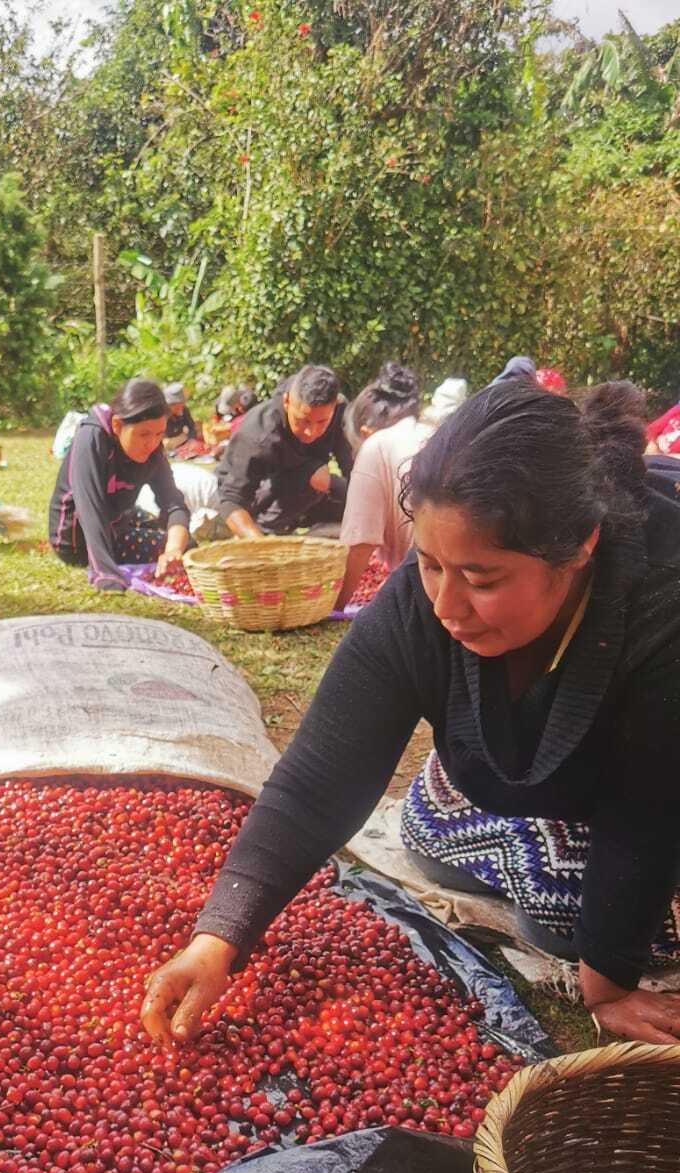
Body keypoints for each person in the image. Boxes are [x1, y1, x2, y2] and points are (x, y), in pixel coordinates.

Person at [142, 381, 680, 1049]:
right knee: (427, 831)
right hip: (527, 783)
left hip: (654, 781)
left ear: (578, 550)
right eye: (429, 565)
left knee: (569, 924)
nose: (446, 605)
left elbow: (649, 808)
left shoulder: (661, 602)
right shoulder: (419, 603)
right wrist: (217, 938)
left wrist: (608, 983)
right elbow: (319, 778)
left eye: (482, 580)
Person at [334, 374, 468, 609]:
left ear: (364, 433)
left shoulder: (376, 446)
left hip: (433, 587)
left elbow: (360, 543)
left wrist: (334, 606)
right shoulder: (433, 433)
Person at [48, 378, 191, 590]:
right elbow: (90, 509)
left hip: (118, 517)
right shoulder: (92, 437)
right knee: (183, 546)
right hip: (78, 540)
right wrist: (106, 573)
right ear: (116, 425)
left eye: (159, 434)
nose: (152, 444)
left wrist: (173, 550)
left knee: (181, 540)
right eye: (143, 434)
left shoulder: (153, 448)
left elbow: (172, 501)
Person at [214, 365, 354, 537]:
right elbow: (232, 499)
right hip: (259, 496)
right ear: (287, 402)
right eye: (303, 421)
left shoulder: (339, 411)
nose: (311, 432)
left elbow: (352, 469)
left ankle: (312, 524)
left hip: (308, 489)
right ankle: (268, 530)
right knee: (314, 474)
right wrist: (260, 543)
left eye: (322, 422)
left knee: (341, 487)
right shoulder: (258, 433)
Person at [163, 382, 202, 451]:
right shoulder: (161, 415)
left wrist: (192, 440)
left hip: (182, 443)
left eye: (181, 403)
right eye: (174, 405)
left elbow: (191, 427)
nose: (179, 407)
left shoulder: (184, 410)